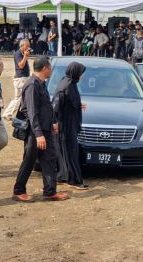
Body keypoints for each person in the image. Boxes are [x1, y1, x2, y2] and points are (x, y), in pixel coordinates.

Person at [13, 56, 70, 202]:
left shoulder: (41, 83)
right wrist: (38, 134)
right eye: (50, 68)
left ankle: (50, 191)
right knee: (29, 160)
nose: (51, 70)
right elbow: (32, 112)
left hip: (46, 129)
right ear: (45, 68)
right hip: (35, 131)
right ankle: (19, 191)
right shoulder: (32, 85)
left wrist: (52, 122)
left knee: (49, 159)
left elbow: (45, 107)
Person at [53, 62, 88, 190]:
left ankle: (63, 177)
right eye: (80, 73)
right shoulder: (66, 85)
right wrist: (55, 122)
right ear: (75, 73)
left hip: (69, 124)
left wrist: (78, 105)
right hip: (65, 126)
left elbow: (68, 101)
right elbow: (56, 105)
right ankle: (74, 180)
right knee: (71, 152)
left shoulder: (69, 83)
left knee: (66, 152)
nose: (82, 77)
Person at [3, 39, 31, 120]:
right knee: (18, 98)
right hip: (20, 78)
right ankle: (7, 113)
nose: (28, 47)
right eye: (27, 46)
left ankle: (20, 112)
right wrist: (25, 56)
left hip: (23, 78)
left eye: (29, 45)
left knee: (23, 97)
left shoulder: (22, 53)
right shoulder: (18, 54)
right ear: (22, 45)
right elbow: (21, 66)